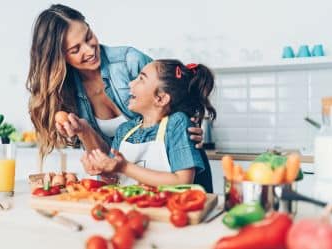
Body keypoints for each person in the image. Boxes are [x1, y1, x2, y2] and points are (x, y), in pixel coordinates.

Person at [26, 4, 212, 191]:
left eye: (88, 36)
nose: (90, 51)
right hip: (136, 193)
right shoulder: (66, 93)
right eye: (75, 50)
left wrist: (188, 124)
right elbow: (112, 166)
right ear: (59, 58)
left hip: (184, 186)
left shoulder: (130, 61)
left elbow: (171, 93)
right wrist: (85, 133)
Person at [81, 60, 216, 188]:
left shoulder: (176, 123)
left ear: (161, 98)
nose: (130, 84)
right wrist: (103, 170)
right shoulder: (124, 130)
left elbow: (183, 181)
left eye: (141, 79)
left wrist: (125, 167)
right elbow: (114, 179)